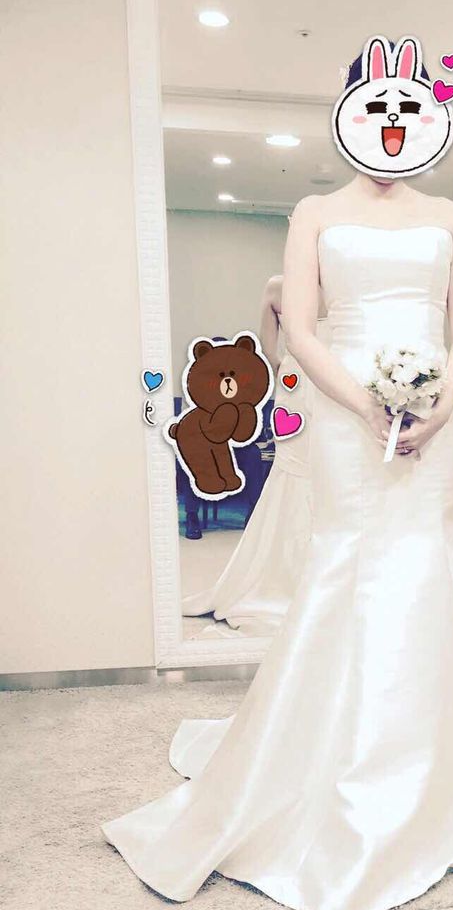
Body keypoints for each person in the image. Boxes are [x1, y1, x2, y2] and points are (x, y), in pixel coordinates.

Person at [101, 43, 453, 910]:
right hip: (344, 414)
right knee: (347, 563)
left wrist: (441, 403)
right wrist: (365, 406)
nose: (393, 124)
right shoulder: (314, 211)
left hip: (434, 415)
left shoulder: (449, 216)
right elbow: (300, 327)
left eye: (409, 108)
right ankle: (335, 766)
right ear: (352, 111)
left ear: (426, 117)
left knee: (432, 559)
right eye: (377, 107)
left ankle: (447, 762)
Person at [181, 271, 326, 637]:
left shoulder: (279, 286)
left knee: (297, 469)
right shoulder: (339, 286)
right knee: (315, 468)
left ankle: (288, 569)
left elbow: (268, 351)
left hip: (296, 381)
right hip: (330, 380)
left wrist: (288, 370)